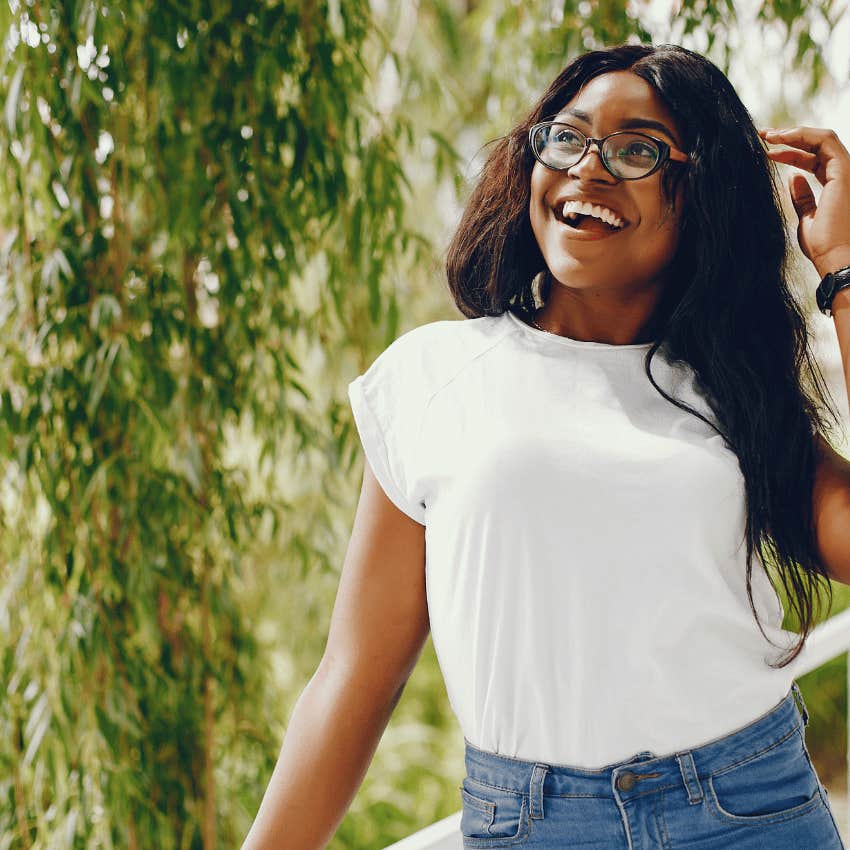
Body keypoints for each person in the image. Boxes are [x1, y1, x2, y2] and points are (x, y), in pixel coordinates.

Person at [242, 43, 850, 849]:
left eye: (637, 150)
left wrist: (841, 269)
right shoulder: (434, 378)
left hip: (750, 810)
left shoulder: (738, 392)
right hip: (529, 824)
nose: (588, 169)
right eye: (567, 137)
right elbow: (355, 678)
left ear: (704, 194)